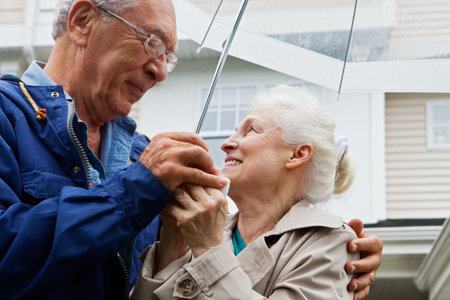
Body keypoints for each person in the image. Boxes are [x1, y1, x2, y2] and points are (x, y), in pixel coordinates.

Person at [0, 0, 381, 299]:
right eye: (151, 42)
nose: (162, 71)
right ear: (83, 21)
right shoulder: (8, 113)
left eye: (169, 55)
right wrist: (135, 191)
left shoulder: (144, 159)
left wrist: (333, 256)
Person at [130, 85, 378, 300]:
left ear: (297, 154)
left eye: (251, 130)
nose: (226, 143)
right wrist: (172, 245)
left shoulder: (329, 242)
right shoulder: (202, 229)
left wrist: (208, 248)